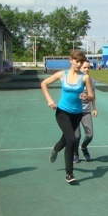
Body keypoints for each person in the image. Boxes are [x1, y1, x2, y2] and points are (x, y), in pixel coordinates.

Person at [42, 50, 94, 184]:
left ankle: (55, 149)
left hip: (77, 114)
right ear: (70, 60)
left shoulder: (85, 78)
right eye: (77, 61)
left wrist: (86, 96)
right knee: (72, 138)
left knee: (65, 139)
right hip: (62, 112)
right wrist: (49, 100)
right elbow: (44, 84)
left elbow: (91, 96)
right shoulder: (61, 75)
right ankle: (69, 173)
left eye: (81, 62)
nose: (79, 64)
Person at [49, 60, 98, 163]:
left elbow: (93, 96)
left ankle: (84, 147)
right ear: (79, 67)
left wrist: (94, 108)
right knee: (76, 136)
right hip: (74, 112)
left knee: (90, 135)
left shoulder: (91, 80)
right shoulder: (73, 78)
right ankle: (75, 153)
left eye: (88, 67)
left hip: (86, 111)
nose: (86, 69)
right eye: (84, 67)